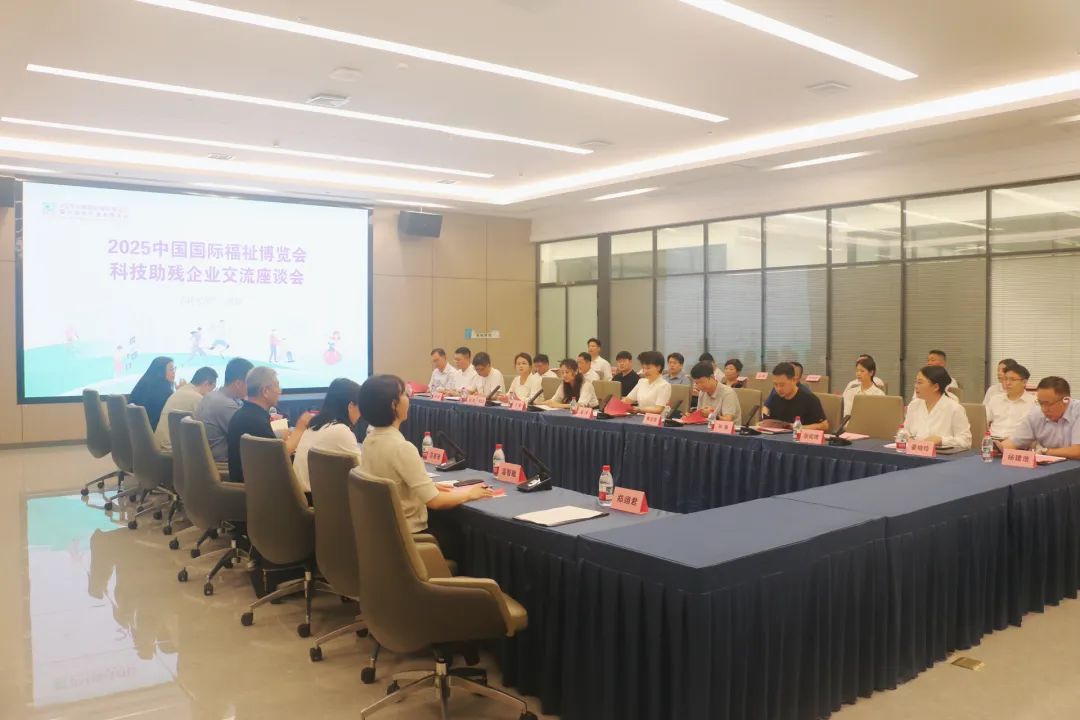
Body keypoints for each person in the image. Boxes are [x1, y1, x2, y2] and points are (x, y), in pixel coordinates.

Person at [358, 374, 494, 535]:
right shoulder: (402, 448)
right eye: (404, 394)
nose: (408, 398)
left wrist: (428, 486)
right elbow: (435, 501)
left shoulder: (369, 440)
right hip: (409, 534)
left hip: (382, 531)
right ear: (394, 405)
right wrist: (469, 493)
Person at [226, 367, 312, 483]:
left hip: (251, 485)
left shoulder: (246, 414)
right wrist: (300, 428)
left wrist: (279, 436)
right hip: (258, 489)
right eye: (277, 386)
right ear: (265, 391)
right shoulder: (254, 420)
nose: (280, 391)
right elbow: (280, 455)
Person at [292, 378, 363, 495]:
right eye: (360, 407)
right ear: (351, 406)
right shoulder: (340, 430)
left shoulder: (314, 426)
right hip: (320, 499)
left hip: (304, 497)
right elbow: (361, 473)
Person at [1004, 376, 1080, 460]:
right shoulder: (1036, 414)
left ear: (1065, 401)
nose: (1044, 409)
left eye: (1048, 404)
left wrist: (1045, 452)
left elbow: (1077, 452)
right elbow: (1013, 442)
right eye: (1040, 403)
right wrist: (998, 448)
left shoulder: (1077, 411)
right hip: (1050, 464)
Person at [195, 357, 254, 463]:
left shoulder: (212, 396)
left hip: (208, 462)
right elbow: (252, 438)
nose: (252, 387)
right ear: (238, 383)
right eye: (250, 382)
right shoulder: (225, 405)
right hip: (223, 465)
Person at [905, 365, 971, 450]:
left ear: (935, 387)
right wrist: (906, 437)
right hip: (914, 453)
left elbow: (966, 441)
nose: (915, 386)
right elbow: (905, 431)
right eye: (916, 382)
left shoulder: (954, 408)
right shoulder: (914, 405)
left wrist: (941, 440)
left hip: (941, 456)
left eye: (920, 382)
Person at [155, 366, 217, 450]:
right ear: (206, 384)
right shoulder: (197, 399)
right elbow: (208, 431)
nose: (211, 393)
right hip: (172, 450)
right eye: (212, 390)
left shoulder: (182, 390)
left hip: (158, 446)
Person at [763, 362, 828, 430]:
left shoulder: (809, 399)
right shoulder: (775, 397)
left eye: (782, 385)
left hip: (800, 435)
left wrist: (796, 427)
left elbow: (824, 426)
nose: (778, 389)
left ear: (794, 380)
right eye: (775, 384)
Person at [986, 362, 1036, 439]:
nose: (1007, 383)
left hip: (1018, 443)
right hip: (992, 441)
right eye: (1005, 379)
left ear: (1024, 382)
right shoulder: (995, 399)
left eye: (1013, 379)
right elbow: (983, 422)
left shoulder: (1034, 403)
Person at [129, 356, 176, 431]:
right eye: (171, 369)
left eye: (174, 369)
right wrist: (180, 392)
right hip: (156, 432)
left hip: (137, 432)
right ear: (160, 372)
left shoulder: (143, 384)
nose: (174, 372)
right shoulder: (164, 391)